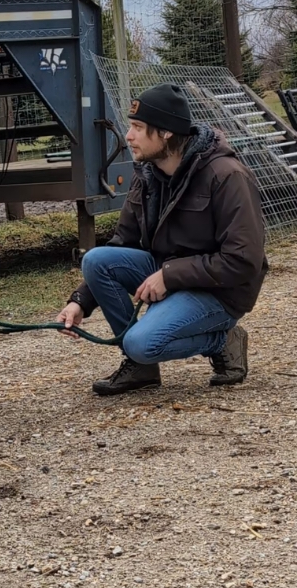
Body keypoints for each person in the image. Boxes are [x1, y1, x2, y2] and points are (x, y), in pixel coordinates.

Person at [56, 83, 268, 395]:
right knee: (97, 260)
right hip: (169, 274)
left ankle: (223, 340)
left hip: (220, 292)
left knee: (141, 342)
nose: (129, 136)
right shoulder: (148, 174)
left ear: (166, 132)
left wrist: (169, 276)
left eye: (138, 127)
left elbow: (242, 260)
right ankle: (140, 367)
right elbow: (123, 243)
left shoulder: (227, 176)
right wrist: (80, 302)